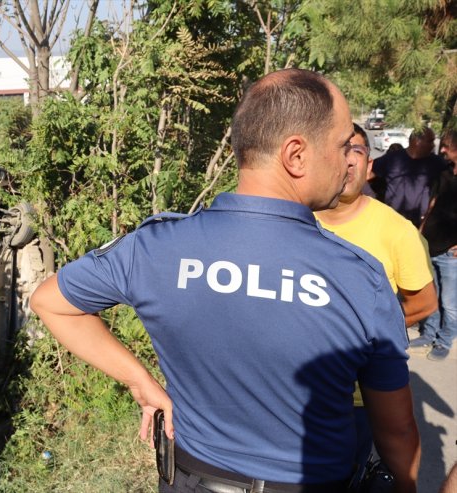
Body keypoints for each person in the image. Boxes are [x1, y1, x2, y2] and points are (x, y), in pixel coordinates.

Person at [31, 69, 420, 492]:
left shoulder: (157, 247)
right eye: (343, 144)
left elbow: (50, 302)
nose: (350, 160)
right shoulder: (360, 277)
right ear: (296, 155)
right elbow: (396, 433)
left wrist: (139, 382)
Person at [315, 123, 437, 474]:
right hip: (290, 390)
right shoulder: (294, 219)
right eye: (340, 149)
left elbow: (424, 304)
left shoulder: (397, 231)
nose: (348, 160)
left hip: (358, 400)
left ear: (370, 165)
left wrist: (363, 332)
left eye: (357, 150)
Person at [411, 128, 457, 361]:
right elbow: (434, 202)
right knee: (431, 295)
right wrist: (422, 229)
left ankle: (444, 340)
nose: (443, 150)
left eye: (447, 146)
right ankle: (428, 334)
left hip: (451, 253)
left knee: (449, 303)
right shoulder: (445, 173)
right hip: (431, 244)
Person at [372, 127, 448, 227]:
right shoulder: (392, 159)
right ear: (417, 141)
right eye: (430, 141)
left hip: (419, 224)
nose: (433, 145)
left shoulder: (437, 163)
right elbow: (369, 175)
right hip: (391, 221)